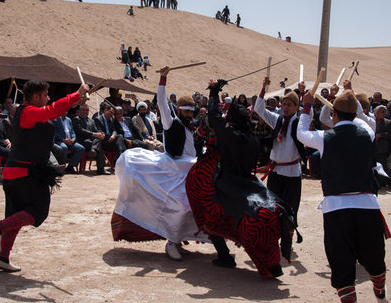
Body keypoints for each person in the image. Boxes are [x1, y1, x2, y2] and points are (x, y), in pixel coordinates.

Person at [297, 85, 389, 303]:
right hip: (367, 205)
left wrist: (306, 106)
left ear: (334, 115)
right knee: (373, 253)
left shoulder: (326, 138)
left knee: (341, 261)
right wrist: (350, 96)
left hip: (337, 209)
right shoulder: (367, 133)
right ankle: (379, 290)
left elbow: (302, 133)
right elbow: (363, 118)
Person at [185, 78, 299, 278]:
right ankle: (271, 265)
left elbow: (212, 115)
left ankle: (225, 256)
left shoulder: (231, 135)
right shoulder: (253, 140)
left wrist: (213, 91)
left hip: (227, 184)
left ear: (232, 121)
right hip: (248, 183)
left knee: (212, 217)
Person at [0, 80, 89, 272]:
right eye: (45, 95)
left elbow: (55, 111)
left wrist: (77, 99)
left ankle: (2, 257)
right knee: (38, 211)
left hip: (16, 172)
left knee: (16, 217)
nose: (48, 98)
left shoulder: (31, 114)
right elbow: (52, 110)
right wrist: (76, 94)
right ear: (36, 97)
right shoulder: (28, 112)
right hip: (24, 173)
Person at [112, 66, 206, 259]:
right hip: (171, 171)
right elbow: (162, 102)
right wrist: (163, 79)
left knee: (190, 208)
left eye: (191, 112)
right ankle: (171, 243)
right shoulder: (172, 123)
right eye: (186, 112)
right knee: (178, 206)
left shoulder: (191, 128)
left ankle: (177, 239)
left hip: (187, 171)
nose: (189, 115)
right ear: (179, 110)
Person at [254, 76, 305, 222]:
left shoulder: (299, 122)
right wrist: (264, 88)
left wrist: (302, 93)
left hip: (292, 173)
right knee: (273, 207)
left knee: (290, 208)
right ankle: (273, 238)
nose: (286, 107)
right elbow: (259, 108)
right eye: (284, 104)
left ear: (296, 107)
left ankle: (287, 240)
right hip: (275, 172)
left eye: (290, 105)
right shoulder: (278, 120)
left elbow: (308, 115)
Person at [72, 104, 109, 175]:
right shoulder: (76, 119)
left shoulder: (91, 120)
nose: (85, 112)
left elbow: (96, 130)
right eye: (83, 110)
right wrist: (94, 134)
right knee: (98, 145)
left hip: (92, 141)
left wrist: (101, 133)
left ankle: (93, 150)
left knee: (98, 141)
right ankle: (101, 169)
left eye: (87, 110)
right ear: (80, 111)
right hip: (82, 140)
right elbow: (80, 130)